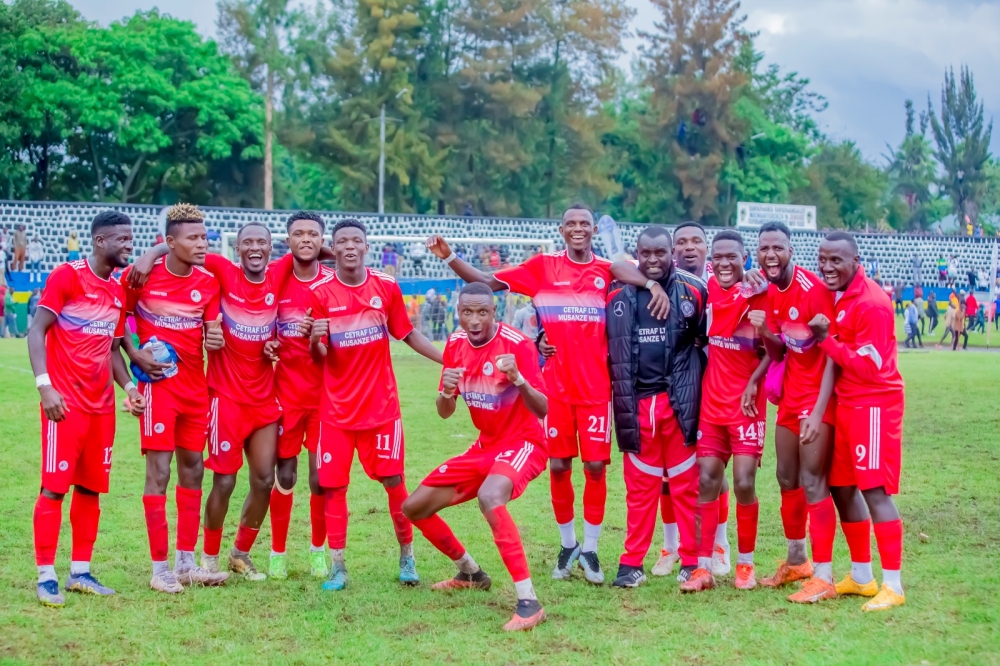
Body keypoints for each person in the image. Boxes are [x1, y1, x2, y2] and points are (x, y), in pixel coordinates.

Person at [426, 204, 666, 586]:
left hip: (596, 390)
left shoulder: (605, 270)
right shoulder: (541, 267)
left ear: (591, 229)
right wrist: (451, 257)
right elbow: (487, 282)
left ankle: (590, 548)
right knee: (558, 467)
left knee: (596, 468)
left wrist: (652, 284)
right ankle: (568, 544)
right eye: (571, 223)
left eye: (584, 224)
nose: (578, 229)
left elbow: (629, 270)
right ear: (561, 229)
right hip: (553, 389)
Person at [402, 283, 550, 631]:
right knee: (414, 507)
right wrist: (446, 391)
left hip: (525, 443)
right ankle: (471, 573)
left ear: (494, 312)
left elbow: (542, 409)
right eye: (467, 311)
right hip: (485, 447)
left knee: (490, 496)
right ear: (458, 311)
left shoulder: (517, 345)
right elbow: (444, 411)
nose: (474, 319)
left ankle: (529, 601)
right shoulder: (454, 344)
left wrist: (520, 380)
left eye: (482, 311)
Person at [308, 218, 443, 591]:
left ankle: (407, 556)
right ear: (333, 250)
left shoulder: (385, 286)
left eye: (356, 240)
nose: (349, 246)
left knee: (394, 481)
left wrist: (446, 360)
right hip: (335, 411)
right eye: (342, 242)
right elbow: (317, 356)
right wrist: (314, 340)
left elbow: (408, 333)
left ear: (366, 247)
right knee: (333, 487)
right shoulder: (320, 293)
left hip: (381, 409)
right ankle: (338, 565)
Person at [26, 210, 144, 606]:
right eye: (123, 239)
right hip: (65, 405)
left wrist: (128, 386)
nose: (129, 245)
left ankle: (80, 572)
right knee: (54, 488)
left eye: (131, 239)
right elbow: (36, 330)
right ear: (100, 241)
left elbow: (112, 350)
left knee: (91, 489)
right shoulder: (68, 276)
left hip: (102, 409)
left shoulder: (116, 290)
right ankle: (46, 577)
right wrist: (46, 388)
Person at [122, 203, 229, 593]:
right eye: (193, 238)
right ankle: (159, 568)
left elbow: (210, 331)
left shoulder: (209, 283)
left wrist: (213, 339)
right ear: (170, 242)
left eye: (204, 236)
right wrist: (136, 356)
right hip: (159, 389)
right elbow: (119, 326)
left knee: (193, 469)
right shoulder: (143, 278)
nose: (202, 243)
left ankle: (187, 563)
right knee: (159, 472)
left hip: (195, 389)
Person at [809, 231, 907, 611]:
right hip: (848, 406)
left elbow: (870, 367)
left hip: (873, 407)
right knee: (841, 485)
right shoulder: (842, 297)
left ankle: (894, 586)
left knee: (875, 492)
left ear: (855, 260)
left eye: (837, 260)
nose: (828, 267)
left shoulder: (872, 304)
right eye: (823, 259)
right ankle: (863, 577)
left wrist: (825, 340)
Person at [606, 226, 707, 589]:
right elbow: (614, 268)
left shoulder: (695, 290)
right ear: (636, 253)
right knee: (640, 490)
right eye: (645, 253)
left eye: (659, 253)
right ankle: (631, 563)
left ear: (672, 253)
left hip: (679, 403)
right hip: (635, 405)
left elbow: (704, 340)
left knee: (685, 486)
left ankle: (692, 561)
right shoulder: (616, 289)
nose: (652, 260)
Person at [752, 220, 839, 603]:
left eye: (777, 248)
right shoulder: (772, 292)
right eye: (764, 249)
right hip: (790, 397)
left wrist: (819, 410)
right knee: (786, 477)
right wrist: (765, 335)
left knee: (813, 479)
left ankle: (824, 575)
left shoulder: (814, 291)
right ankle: (797, 560)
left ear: (791, 250)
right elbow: (779, 354)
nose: (770, 255)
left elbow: (833, 354)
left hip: (817, 399)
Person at [684, 231, 770, 592]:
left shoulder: (759, 294)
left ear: (744, 258)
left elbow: (771, 351)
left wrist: (754, 381)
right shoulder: (707, 292)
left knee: (744, 482)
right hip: (711, 405)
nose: (722, 263)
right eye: (717, 257)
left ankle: (746, 565)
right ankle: (703, 567)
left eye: (730, 257)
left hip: (746, 406)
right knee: (706, 480)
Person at [652, 220, 730, 579]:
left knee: (713, 466)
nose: (688, 247)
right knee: (669, 471)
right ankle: (670, 546)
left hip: (714, 385)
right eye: (680, 242)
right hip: (670, 384)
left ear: (706, 246)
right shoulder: (659, 279)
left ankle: (719, 544)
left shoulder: (720, 281)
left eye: (696, 241)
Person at [270, 211, 334, 579]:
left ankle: (316, 551)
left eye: (313, 234)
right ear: (288, 239)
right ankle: (278, 552)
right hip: (285, 395)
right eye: (298, 233)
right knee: (286, 474)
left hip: (326, 396)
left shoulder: (331, 283)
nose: (305, 239)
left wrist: (319, 338)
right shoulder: (278, 281)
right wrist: (271, 343)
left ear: (321, 239)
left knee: (319, 478)